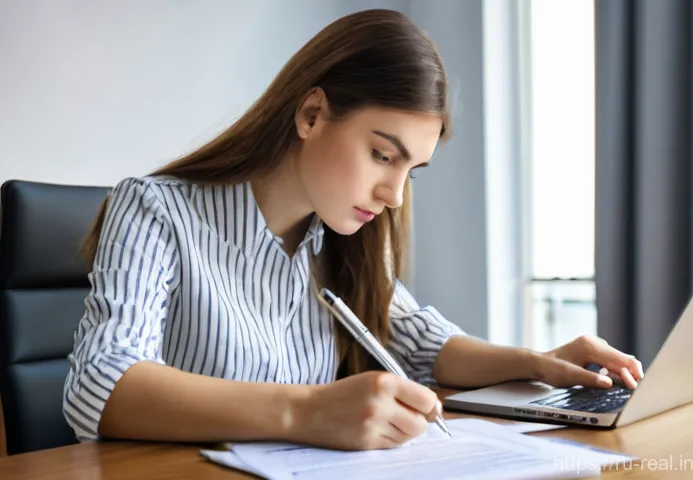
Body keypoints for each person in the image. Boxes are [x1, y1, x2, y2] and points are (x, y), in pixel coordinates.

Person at [62, 8, 643, 452]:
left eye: (412, 170)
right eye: (381, 155)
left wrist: (537, 363)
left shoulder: (339, 237)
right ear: (312, 115)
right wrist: (305, 411)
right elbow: (99, 383)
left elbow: (422, 345)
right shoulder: (154, 209)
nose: (393, 196)